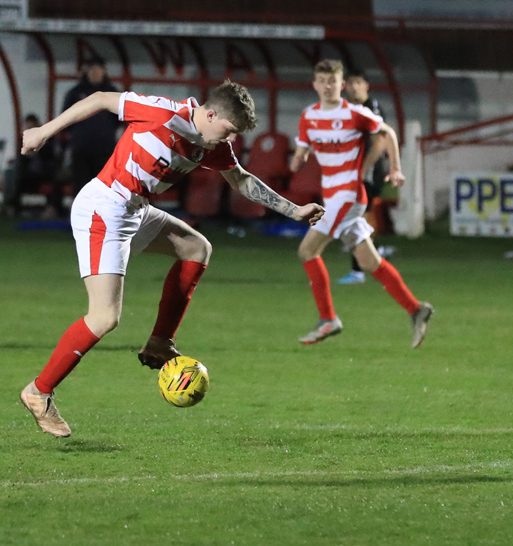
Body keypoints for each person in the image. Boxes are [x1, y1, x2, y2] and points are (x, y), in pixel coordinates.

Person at [19, 80, 325, 438]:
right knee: (103, 317)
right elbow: (102, 99)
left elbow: (240, 180)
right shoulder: (164, 112)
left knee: (197, 248)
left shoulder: (212, 141)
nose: (231, 141)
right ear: (210, 114)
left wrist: (294, 210)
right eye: (229, 131)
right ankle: (38, 392)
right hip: (105, 208)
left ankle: (160, 341)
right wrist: (44, 131)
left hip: (134, 210)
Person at [290, 59, 433, 347]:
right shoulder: (308, 117)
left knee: (307, 250)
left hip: (350, 195)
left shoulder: (355, 113)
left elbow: (388, 133)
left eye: (333, 81)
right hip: (331, 195)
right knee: (370, 261)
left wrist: (394, 168)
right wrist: (298, 157)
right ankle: (416, 309)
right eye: (322, 80)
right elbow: (303, 148)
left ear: (341, 85)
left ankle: (328, 318)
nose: (328, 86)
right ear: (315, 84)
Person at [335, 69, 391, 285]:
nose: (355, 86)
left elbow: (380, 142)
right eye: (351, 83)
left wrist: (363, 170)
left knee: (356, 216)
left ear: (366, 85)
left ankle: (359, 270)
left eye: (359, 82)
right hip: (354, 171)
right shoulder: (345, 109)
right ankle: (372, 255)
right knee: (356, 216)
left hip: (371, 171)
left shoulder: (371, 108)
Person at [62, 56, 120, 194]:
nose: (95, 73)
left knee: (104, 186)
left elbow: (118, 118)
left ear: (104, 71)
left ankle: (101, 215)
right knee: (81, 186)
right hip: (81, 149)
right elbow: (65, 118)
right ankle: (81, 214)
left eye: (98, 69)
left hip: (104, 149)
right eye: (92, 69)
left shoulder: (111, 91)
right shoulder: (75, 93)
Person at [3, 114, 64, 217]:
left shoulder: (47, 139)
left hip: (45, 172)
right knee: (15, 176)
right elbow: (20, 158)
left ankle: (52, 208)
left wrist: (38, 153)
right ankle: (12, 207)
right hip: (29, 174)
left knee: (55, 179)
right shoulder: (23, 141)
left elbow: (52, 158)